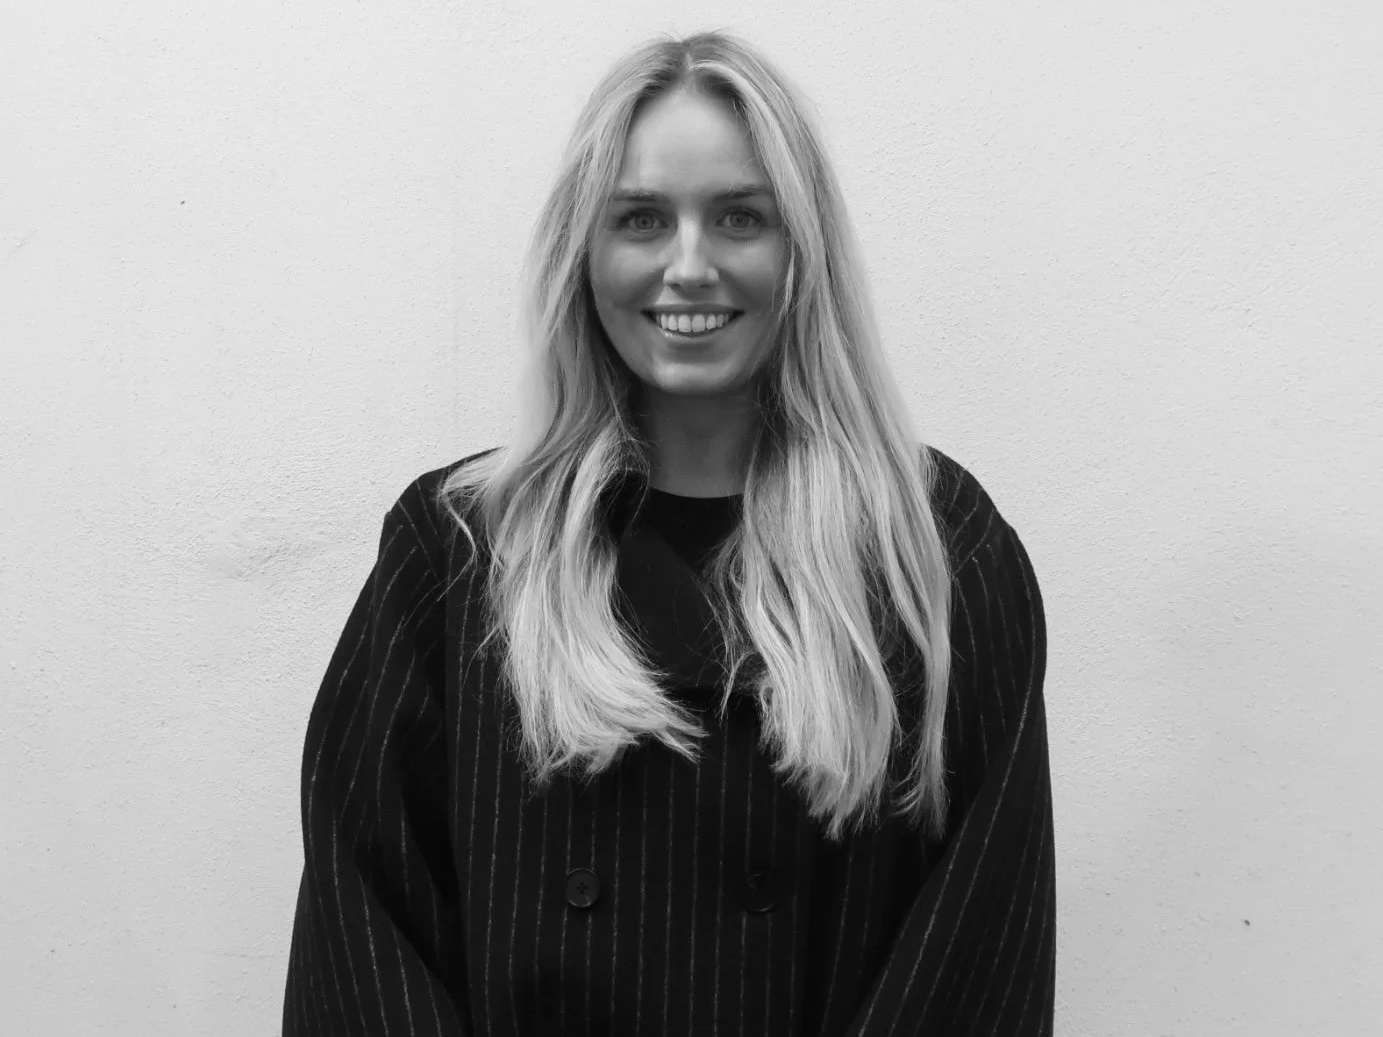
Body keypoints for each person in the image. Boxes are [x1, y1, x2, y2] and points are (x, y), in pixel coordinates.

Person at [282, 29, 1055, 1037]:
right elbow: (364, 927)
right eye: (642, 219)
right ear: (584, 252)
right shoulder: (461, 553)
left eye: (740, 217)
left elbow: (978, 955)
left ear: (802, 250)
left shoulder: (932, 550)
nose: (689, 265)